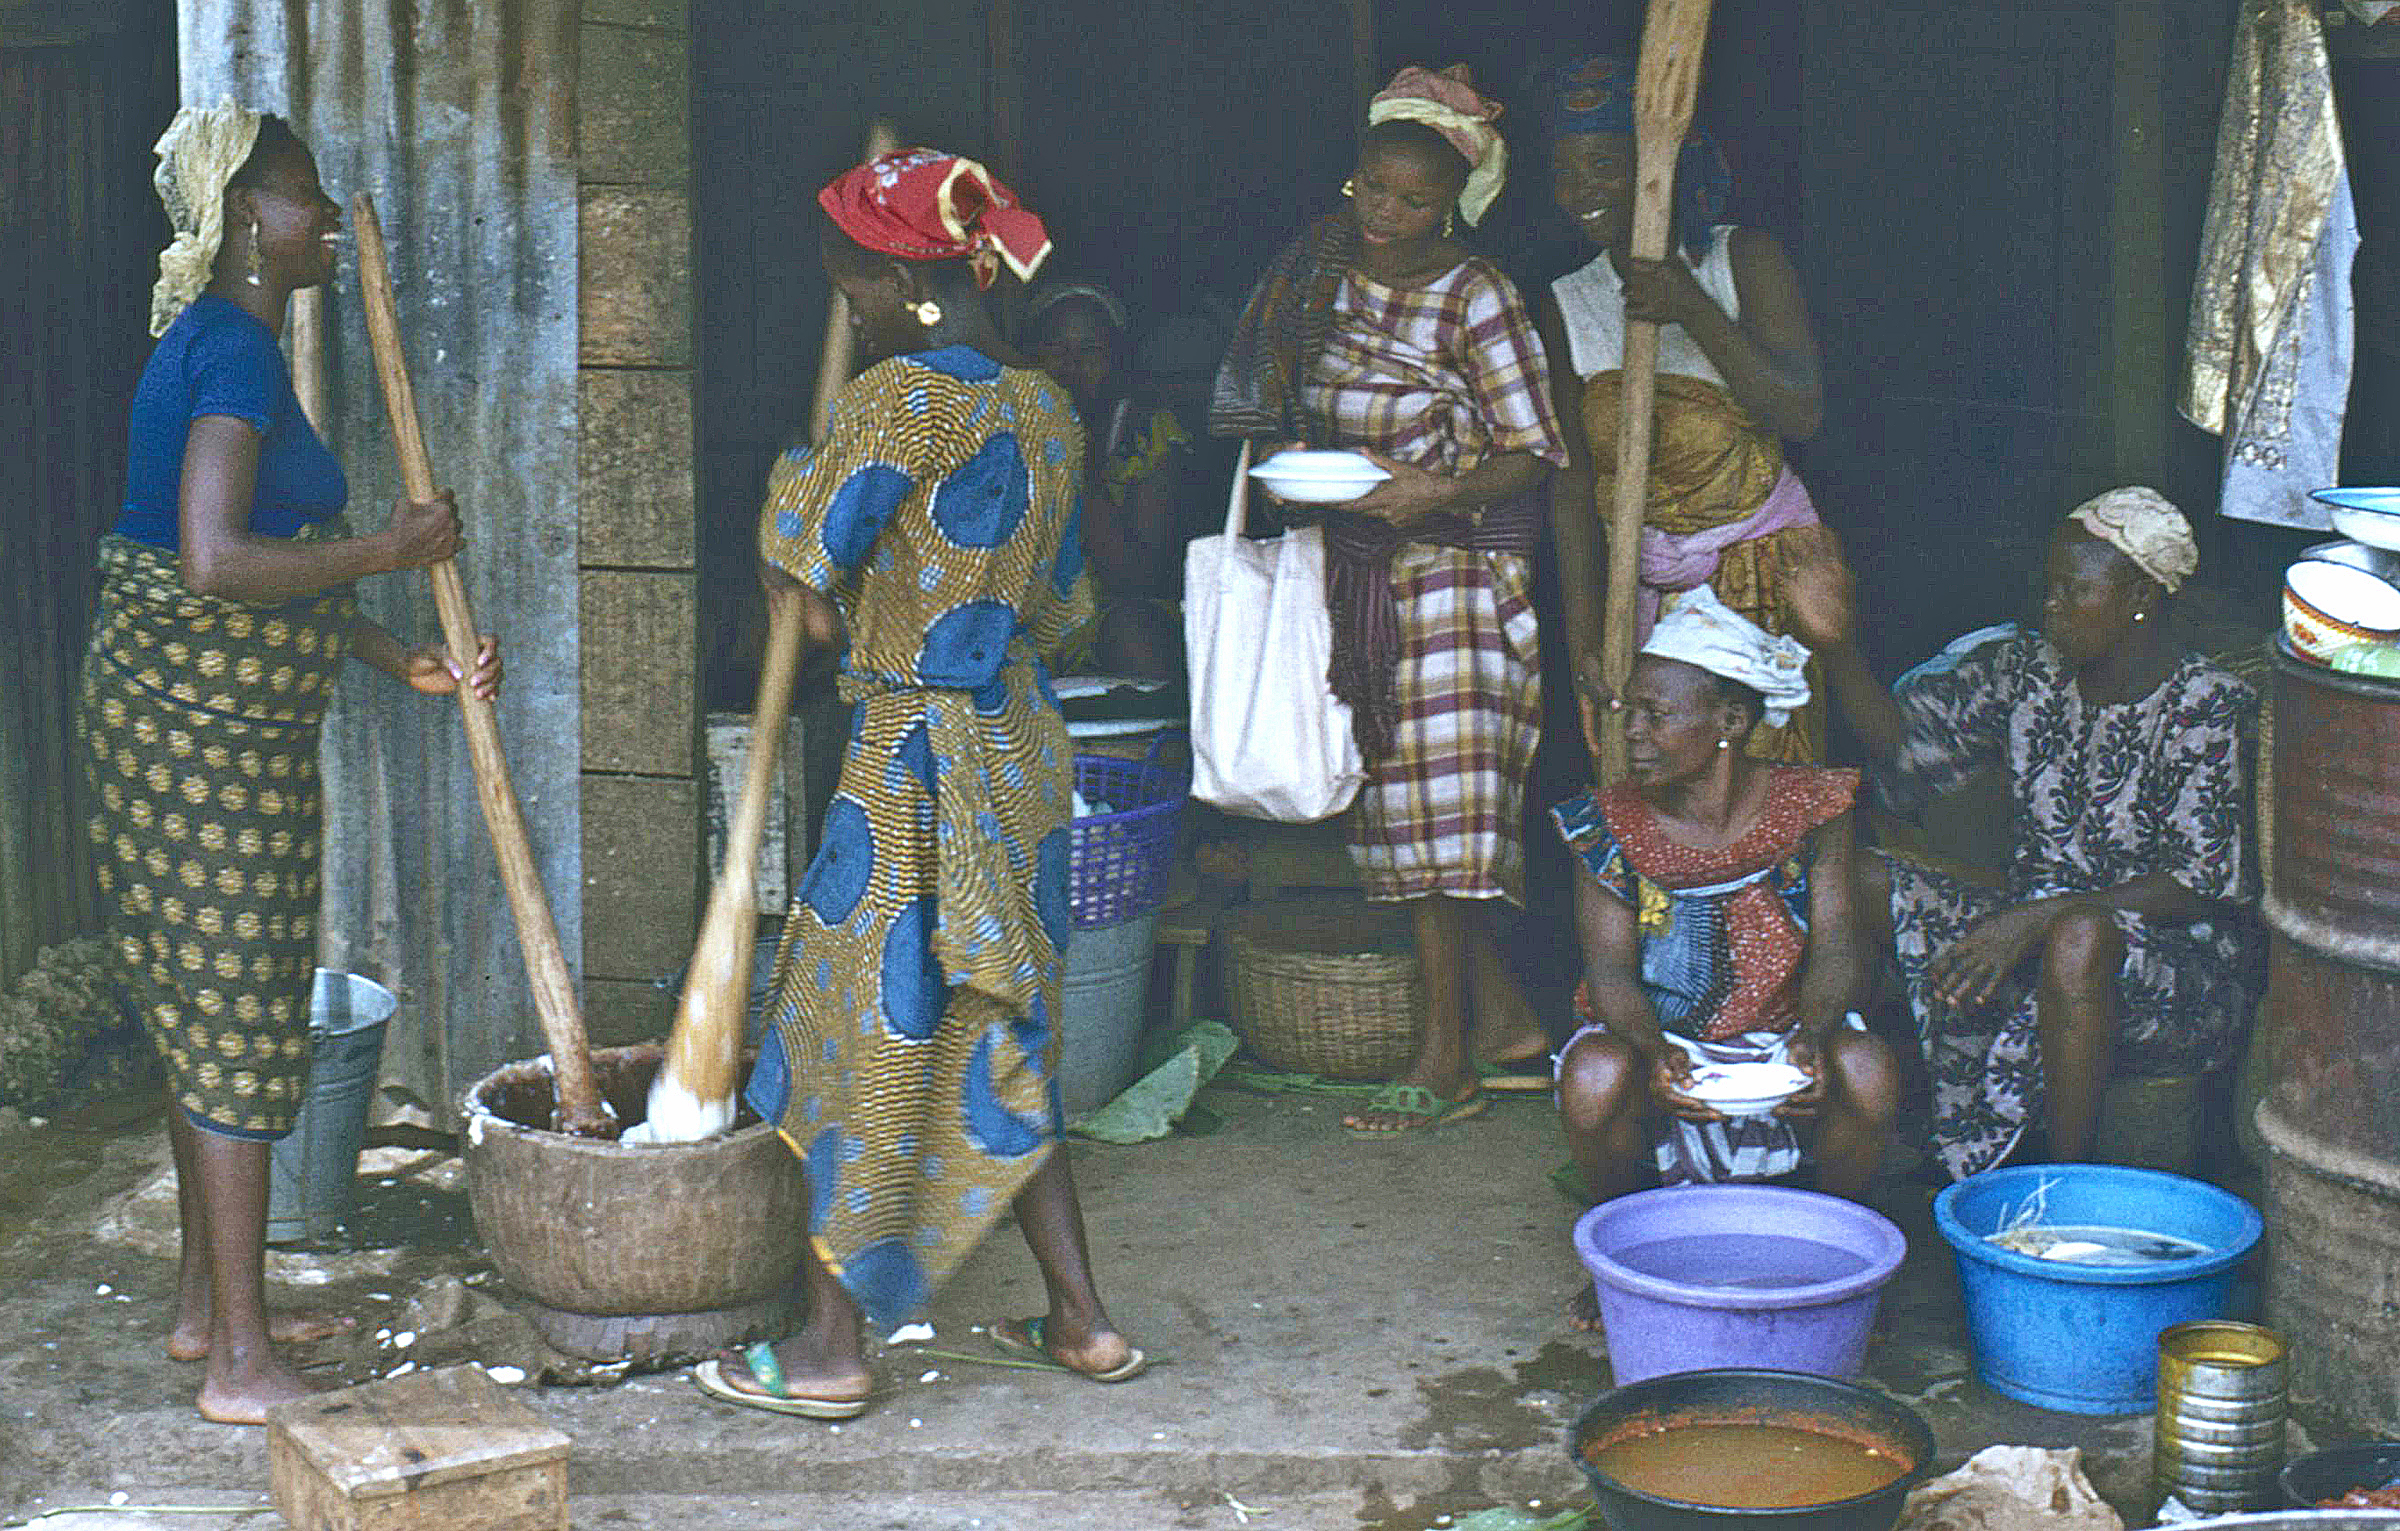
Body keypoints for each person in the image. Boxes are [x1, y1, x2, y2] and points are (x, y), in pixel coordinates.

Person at [692, 150, 1139, 1420]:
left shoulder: (894, 405)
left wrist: (794, 482)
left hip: (910, 760)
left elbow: (804, 568)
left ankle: (832, 1349)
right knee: (996, 1026)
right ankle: (1083, 1321)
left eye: (852, 286)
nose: (847, 309)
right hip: (1018, 749)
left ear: (903, 280)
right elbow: (1064, 613)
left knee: (865, 1037)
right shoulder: (1048, 411)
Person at [78, 100, 500, 1424]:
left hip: (199, 732)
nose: (323, 214)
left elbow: (264, 568)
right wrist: (396, 548)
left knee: (205, 1013)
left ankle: (211, 1307)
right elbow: (211, 562)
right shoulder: (235, 355)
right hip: (190, 735)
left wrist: (398, 659)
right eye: (302, 195)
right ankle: (241, 1361)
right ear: (247, 222)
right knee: (235, 1024)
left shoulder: (231, 341)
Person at [1212, 65, 1569, 1134]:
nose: (1385, 216)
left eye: (1412, 201)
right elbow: (1265, 386)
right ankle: (1504, 1026)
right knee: (1401, 824)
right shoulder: (1316, 274)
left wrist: (1438, 491)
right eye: (1372, 190)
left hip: (1457, 579)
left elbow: (1533, 452)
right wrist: (1284, 450)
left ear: (1452, 201)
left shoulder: (1480, 295)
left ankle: (1445, 1054)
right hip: (1355, 574)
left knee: (1449, 828)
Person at [1786, 492, 2262, 1178]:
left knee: (2078, 938)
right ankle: (1871, 1113)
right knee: (1861, 880)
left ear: (2138, 597)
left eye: (2075, 590)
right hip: (2035, 924)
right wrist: (1837, 647)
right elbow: (1905, 745)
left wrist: (2037, 919)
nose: (2052, 605)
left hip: (2172, 969)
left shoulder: (2210, 705)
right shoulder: (2027, 668)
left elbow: (2198, 884)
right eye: (2051, 587)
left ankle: (2066, 1181)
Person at [1551, 587, 1896, 1326]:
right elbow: (1609, 972)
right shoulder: (1607, 824)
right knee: (1591, 1077)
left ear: (1731, 722)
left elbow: (1838, 941)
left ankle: (1831, 1254)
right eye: (1628, 712)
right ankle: (1625, 1258)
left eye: (1657, 713)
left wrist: (1812, 1035)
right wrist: (1651, 1053)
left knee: (1868, 1069)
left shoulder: (1813, 808)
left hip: (1779, 1036)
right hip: (1660, 1042)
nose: (1633, 732)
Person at [1539, 55, 1829, 762]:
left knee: (1762, 788)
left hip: (1763, 584)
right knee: (1656, 793)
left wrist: (1689, 308)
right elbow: (1573, 487)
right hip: (1647, 601)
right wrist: (1586, 641)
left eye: (1605, 167)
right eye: (1567, 174)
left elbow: (1801, 413)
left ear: (1657, 165)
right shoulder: (1566, 303)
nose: (1583, 193)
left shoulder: (1742, 261)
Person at [1025, 280, 1192, 680]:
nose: (1071, 365)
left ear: (1117, 361)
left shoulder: (1147, 432)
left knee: (1139, 643)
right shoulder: (1000, 424)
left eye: (1091, 351)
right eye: (1056, 348)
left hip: (1106, 616)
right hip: (1020, 615)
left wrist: (1072, 454)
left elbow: (1136, 575)